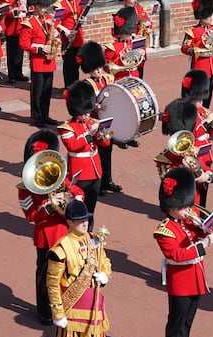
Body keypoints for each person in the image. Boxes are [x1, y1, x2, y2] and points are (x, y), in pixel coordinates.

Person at [46, 200, 110, 337]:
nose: (85, 223)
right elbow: (53, 284)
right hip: (72, 308)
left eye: (86, 218)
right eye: (81, 220)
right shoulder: (60, 249)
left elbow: (105, 262)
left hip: (93, 306)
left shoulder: (93, 240)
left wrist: (105, 275)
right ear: (70, 222)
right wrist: (57, 312)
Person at [154, 166, 213, 337]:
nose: (188, 209)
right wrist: (205, 243)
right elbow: (177, 255)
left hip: (196, 279)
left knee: (187, 323)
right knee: (177, 322)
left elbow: (201, 232)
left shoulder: (187, 222)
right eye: (183, 206)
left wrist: (205, 227)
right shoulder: (164, 230)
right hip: (181, 283)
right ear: (172, 206)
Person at [18, 130, 84, 325]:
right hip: (47, 236)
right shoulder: (25, 188)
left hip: (66, 233)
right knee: (47, 276)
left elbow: (79, 192)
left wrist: (72, 199)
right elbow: (30, 215)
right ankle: (45, 311)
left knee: (69, 272)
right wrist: (47, 207)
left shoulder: (60, 177)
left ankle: (65, 305)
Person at [58, 80, 109, 231]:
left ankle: (89, 233)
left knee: (90, 209)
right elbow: (72, 145)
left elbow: (105, 144)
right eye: (85, 112)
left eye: (88, 111)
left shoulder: (92, 122)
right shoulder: (67, 127)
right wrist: (89, 135)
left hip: (95, 171)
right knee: (77, 208)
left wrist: (101, 134)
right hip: (80, 173)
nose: (88, 115)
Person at [77, 41, 120, 195]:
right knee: (98, 153)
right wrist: (95, 106)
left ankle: (108, 180)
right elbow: (83, 105)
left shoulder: (108, 78)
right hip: (95, 123)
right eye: (95, 68)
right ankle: (99, 183)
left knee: (108, 152)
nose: (98, 71)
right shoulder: (87, 84)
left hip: (109, 122)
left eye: (100, 67)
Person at [104, 6, 141, 149]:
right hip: (119, 81)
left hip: (133, 79)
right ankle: (118, 136)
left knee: (134, 110)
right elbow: (107, 67)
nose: (131, 34)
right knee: (120, 111)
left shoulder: (135, 44)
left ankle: (131, 134)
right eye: (128, 31)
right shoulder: (112, 47)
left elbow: (141, 60)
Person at [20, 0, 59, 127]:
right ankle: (37, 117)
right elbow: (23, 44)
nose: (43, 9)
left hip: (49, 60)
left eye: (45, 7)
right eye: (41, 7)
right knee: (37, 92)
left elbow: (53, 33)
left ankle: (45, 115)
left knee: (47, 91)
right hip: (38, 60)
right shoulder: (29, 23)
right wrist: (40, 48)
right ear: (35, 7)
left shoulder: (49, 19)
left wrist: (56, 33)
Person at [180, 69, 213, 207]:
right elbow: (190, 134)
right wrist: (206, 124)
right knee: (193, 191)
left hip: (205, 154)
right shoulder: (186, 112)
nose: (201, 102)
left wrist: (212, 126)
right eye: (198, 99)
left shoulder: (201, 111)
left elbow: (208, 134)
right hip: (193, 155)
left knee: (205, 189)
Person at [180, 0, 213, 108]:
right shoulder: (192, 31)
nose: (211, 18)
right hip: (200, 67)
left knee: (208, 96)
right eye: (208, 16)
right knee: (198, 97)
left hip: (212, 68)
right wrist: (195, 50)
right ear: (202, 16)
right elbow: (185, 48)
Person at [56, 0, 87, 89]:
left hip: (78, 37)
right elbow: (56, 23)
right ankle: (69, 86)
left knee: (76, 64)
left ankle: (75, 85)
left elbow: (82, 14)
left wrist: (83, 20)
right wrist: (66, 32)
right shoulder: (60, 4)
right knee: (68, 65)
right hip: (68, 38)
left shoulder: (78, 1)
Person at [123, 0, 152, 79]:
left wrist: (147, 24)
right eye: (132, 2)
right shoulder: (122, 13)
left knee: (140, 66)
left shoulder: (140, 9)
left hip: (140, 42)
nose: (135, 2)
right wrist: (132, 36)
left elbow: (149, 21)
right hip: (129, 43)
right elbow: (116, 32)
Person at [2, 0, 28, 84]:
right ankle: (12, 75)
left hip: (21, 29)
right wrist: (17, 10)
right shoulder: (7, 1)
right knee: (12, 54)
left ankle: (18, 73)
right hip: (12, 30)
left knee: (20, 53)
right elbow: (5, 12)